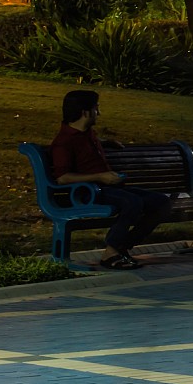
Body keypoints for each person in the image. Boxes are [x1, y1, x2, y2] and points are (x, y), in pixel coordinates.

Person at [47, 90, 172, 270]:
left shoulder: (87, 134)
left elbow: (85, 148)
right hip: (88, 193)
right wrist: (100, 176)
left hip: (109, 189)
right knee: (132, 202)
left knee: (162, 202)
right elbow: (62, 178)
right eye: (96, 108)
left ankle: (120, 247)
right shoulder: (64, 142)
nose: (99, 113)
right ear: (85, 112)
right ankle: (110, 253)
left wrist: (106, 143)